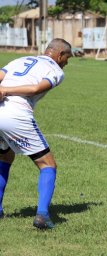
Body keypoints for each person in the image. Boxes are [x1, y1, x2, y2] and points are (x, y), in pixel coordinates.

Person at [0, 38, 72, 230]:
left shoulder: (21, 60)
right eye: (67, 58)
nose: (67, 63)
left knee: (5, 156)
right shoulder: (55, 70)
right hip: (15, 114)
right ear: (59, 55)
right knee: (47, 164)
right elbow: (34, 89)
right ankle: (42, 215)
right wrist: (6, 90)